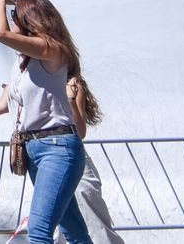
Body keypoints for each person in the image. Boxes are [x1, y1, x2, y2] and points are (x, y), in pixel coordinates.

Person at [0, 0, 93, 244]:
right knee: (73, 231)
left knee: (39, 231)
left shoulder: (52, 49)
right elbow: (2, 104)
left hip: (58, 148)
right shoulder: (21, 65)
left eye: (14, 16)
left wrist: (0, 1)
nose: (10, 21)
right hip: (33, 149)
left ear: (27, 21)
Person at [63, 75, 123, 244]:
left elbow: (80, 131)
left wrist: (70, 99)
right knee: (59, 222)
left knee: (92, 216)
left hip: (73, 158)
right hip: (49, 160)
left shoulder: (72, 85)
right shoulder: (35, 80)